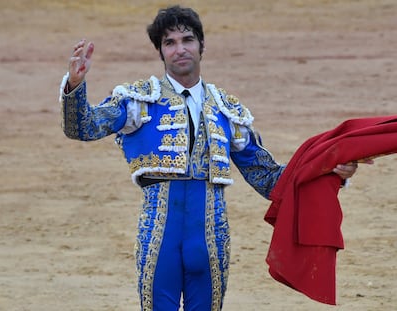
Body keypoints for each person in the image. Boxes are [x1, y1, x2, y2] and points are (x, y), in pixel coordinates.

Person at [59, 5, 358, 311]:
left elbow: (268, 178)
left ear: (202, 45)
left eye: (187, 40)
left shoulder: (227, 109)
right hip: (159, 232)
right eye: (169, 43)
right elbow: (83, 127)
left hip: (210, 236)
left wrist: (329, 172)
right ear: (161, 52)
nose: (180, 49)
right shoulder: (138, 100)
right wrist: (75, 86)